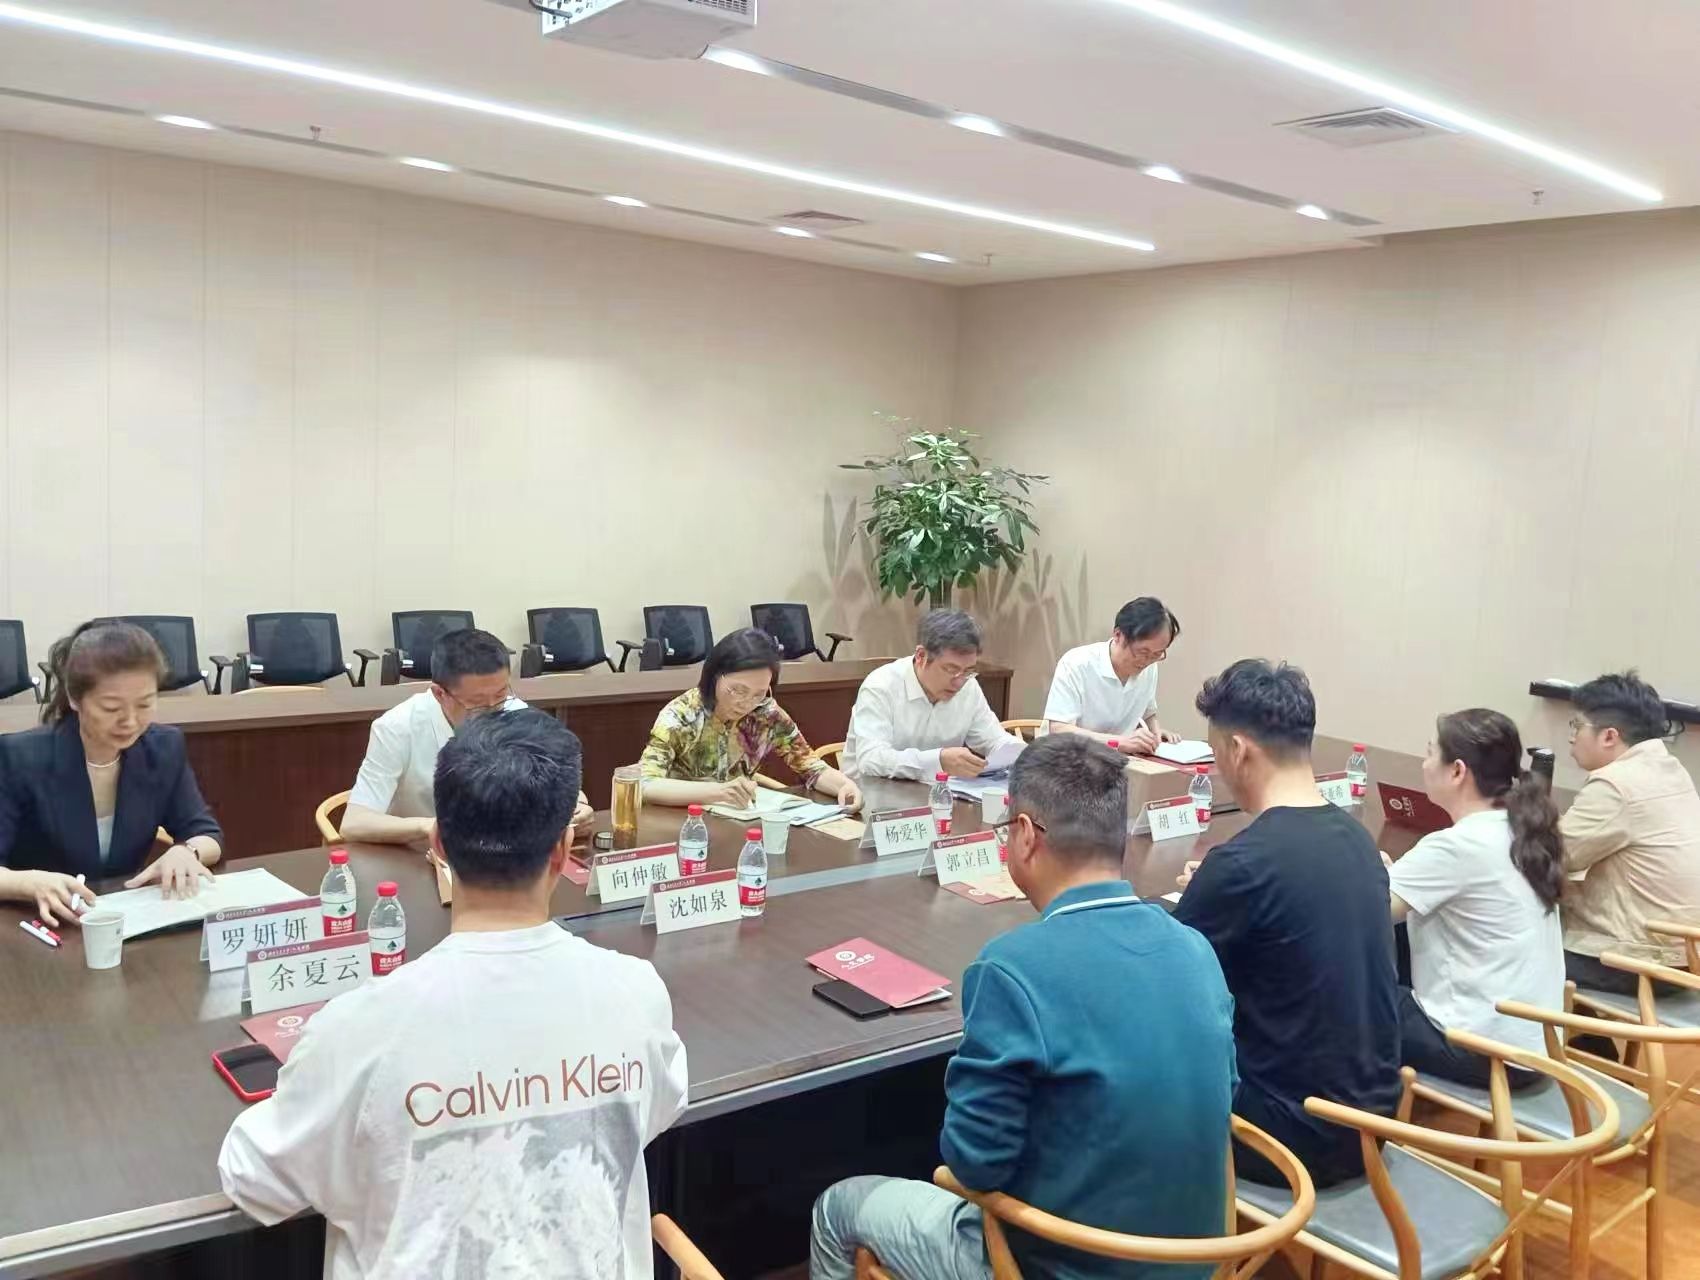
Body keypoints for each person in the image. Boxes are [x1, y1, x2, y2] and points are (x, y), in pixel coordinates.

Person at [219, 709, 688, 1279]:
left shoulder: (357, 1026)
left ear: (438, 843)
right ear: (563, 850)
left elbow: (253, 1178)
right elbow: (658, 1109)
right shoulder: (635, 992)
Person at [811, 734, 1235, 1280]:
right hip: (1196, 1261)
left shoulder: (1012, 967)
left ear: (1027, 835)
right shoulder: (1194, 947)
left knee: (838, 1207)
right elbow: (1223, 1095)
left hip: (1057, 1264)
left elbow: (974, 1163)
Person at [1173, 659, 1399, 1187]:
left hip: (1289, 1138)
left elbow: (1165, 983)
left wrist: (1212, 886)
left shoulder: (1242, 864)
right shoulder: (1357, 840)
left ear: (1238, 750)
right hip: (1372, 1122)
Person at [0, 620, 223, 924]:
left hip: (122, 920)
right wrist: (28, 883)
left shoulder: (163, 748)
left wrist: (187, 852)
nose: (130, 721)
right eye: (111, 708)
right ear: (75, 698)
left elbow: (206, 833)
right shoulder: (20, 757)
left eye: (144, 704)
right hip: (39, 923)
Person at [1387, 709, 1564, 1088]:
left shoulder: (1458, 845)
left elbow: (1366, 912)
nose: (1423, 764)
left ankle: (1356, 1112)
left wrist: (1367, 872)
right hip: (1536, 1047)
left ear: (1457, 771)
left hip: (1483, 1052)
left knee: (1348, 993)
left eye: (1430, 753)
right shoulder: (1519, 830)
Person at [341, 628, 592, 848]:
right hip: (419, 856)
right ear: (440, 694)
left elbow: (559, 785)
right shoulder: (396, 728)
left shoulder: (514, 711)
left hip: (502, 856)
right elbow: (354, 823)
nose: (494, 711)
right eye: (477, 703)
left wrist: (578, 808)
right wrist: (432, 827)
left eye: (501, 694)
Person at [1560, 671, 1700, 988]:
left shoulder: (1616, 785)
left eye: (1577, 726)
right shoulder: (1669, 768)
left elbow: (1550, 856)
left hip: (1638, 962)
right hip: (1686, 957)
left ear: (1609, 736)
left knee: (1509, 949)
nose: (1572, 737)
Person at [640, 628, 862, 811]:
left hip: (741, 820)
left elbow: (810, 766)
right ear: (714, 675)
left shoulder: (766, 714)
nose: (746, 703)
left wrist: (845, 786)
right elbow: (645, 784)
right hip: (682, 820)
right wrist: (719, 792)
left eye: (759, 693)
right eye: (738, 690)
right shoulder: (681, 715)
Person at [842, 609, 1023, 781]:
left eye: (968, 671)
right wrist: (938, 760)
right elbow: (871, 760)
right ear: (921, 656)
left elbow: (994, 739)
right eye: (951, 669)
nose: (959, 682)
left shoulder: (969, 688)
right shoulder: (881, 686)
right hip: (869, 796)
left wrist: (1025, 755)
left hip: (934, 794)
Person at [1043, 597, 1182, 754]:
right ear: (1118, 635)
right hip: (1067, 759)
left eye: (1157, 654)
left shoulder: (1149, 668)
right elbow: (1059, 730)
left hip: (1116, 761)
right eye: (1143, 652)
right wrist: (1118, 742)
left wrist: (1155, 734)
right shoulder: (1076, 664)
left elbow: (1148, 712)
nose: (1147, 661)